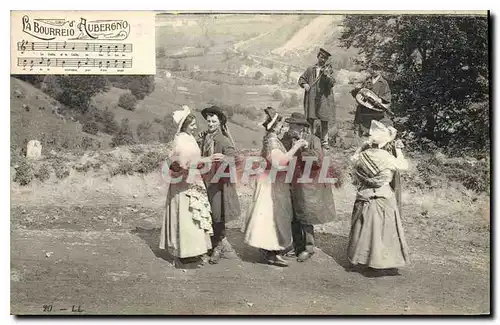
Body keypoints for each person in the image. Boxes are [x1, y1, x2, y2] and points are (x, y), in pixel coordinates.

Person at [243, 107, 309, 267]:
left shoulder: (272, 139)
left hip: (273, 182)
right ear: (275, 126)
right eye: (281, 124)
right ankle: (273, 252)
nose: (283, 127)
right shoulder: (272, 141)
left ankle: (269, 250)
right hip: (271, 185)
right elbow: (279, 163)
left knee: (273, 217)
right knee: (273, 217)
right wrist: (296, 147)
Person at [347, 120, 410, 274]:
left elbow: (352, 160)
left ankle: (361, 258)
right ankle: (379, 261)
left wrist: (362, 147)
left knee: (363, 228)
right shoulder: (387, 157)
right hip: (383, 195)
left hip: (365, 194)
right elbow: (404, 166)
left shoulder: (362, 156)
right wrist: (399, 150)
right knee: (382, 230)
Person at [159, 105, 217, 269]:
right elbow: (187, 163)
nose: (195, 126)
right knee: (186, 216)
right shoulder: (181, 140)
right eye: (192, 124)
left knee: (193, 217)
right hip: (184, 183)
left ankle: (192, 253)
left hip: (192, 180)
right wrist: (209, 159)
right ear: (184, 125)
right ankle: (183, 256)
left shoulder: (189, 138)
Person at [280, 112, 337, 262]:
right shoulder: (287, 139)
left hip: (308, 185)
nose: (290, 128)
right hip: (291, 181)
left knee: (306, 216)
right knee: (293, 216)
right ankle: (297, 246)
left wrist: (304, 148)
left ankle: (309, 248)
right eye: (289, 125)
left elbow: (318, 161)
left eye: (293, 125)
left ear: (301, 127)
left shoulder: (313, 140)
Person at [198, 105, 241, 265]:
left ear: (219, 122)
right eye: (208, 121)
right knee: (207, 214)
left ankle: (218, 247)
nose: (210, 124)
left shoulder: (223, 140)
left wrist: (224, 158)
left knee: (217, 215)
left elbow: (235, 159)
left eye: (213, 121)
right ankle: (211, 245)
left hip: (218, 184)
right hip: (205, 181)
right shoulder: (204, 137)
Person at [298, 48, 336, 150]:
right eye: (321, 57)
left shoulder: (329, 70)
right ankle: (309, 140)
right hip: (312, 98)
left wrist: (327, 76)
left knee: (324, 120)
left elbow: (332, 83)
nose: (323, 60)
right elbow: (301, 78)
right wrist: (305, 84)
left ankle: (324, 141)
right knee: (310, 120)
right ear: (318, 56)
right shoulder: (310, 69)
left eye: (325, 58)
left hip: (324, 98)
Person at [351, 63, 392, 137]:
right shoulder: (367, 80)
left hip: (376, 111)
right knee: (362, 130)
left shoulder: (384, 83)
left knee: (375, 132)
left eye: (377, 69)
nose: (375, 71)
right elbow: (360, 93)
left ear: (380, 71)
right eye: (373, 69)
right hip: (365, 109)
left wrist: (380, 100)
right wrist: (357, 91)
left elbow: (387, 97)